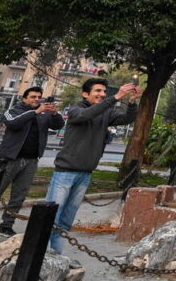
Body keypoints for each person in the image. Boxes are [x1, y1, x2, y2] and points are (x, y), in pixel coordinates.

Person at [47, 78, 140, 254]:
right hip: (65, 172)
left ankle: (55, 255)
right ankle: (41, 257)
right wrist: (114, 98)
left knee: (66, 220)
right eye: (97, 91)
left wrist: (132, 102)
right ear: (85, 94)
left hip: (85, 173)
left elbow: (126, 118)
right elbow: (86, 115)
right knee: (51, 217)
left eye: (104, 92)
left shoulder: (105, 112)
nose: (102, 94)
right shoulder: (76, 109)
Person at [0, 88, 65, 242]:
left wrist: (54, 113)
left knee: (19, 196)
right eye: (33, 97)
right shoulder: (13, 110)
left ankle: (6, 225)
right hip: (10, 159)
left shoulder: (44, 114)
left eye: (39, 97)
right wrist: (36, 112)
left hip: (31, 160)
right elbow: (12, 123)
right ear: (24, 98)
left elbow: (59, 125)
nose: (37, 99)